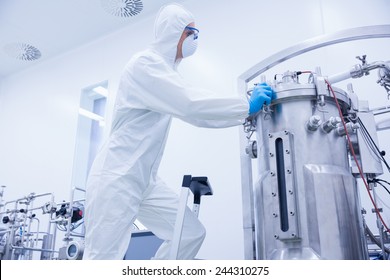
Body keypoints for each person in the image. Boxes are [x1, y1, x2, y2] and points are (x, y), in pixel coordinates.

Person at [82, 3, 274, 260]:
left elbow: (194, 112)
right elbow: (190, 104)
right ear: (176, 33)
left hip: (145, 182)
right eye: (192, 33)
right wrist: (244, 106)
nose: (195, 40)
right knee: (102, 259)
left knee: (190, 233)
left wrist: (242, 111)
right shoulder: (145, 65)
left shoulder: (166, 72)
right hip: (117, 177)